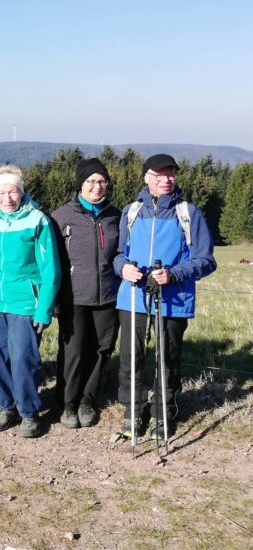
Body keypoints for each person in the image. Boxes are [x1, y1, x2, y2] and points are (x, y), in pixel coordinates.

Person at [114, 154, 216, 439]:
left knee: (167, 360)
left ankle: (162, 414)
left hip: (174, 300)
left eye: (171, 174)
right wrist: (123, 268)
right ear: (147, 177)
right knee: (130, 358)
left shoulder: (188, 213)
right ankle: (132, 412)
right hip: (133, 298)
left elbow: (206, 260)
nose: (167, 179)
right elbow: (119, 254)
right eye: (160, 174)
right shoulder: (131, 212)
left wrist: (173, 274)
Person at [0, 165, 61, 438]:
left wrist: (44, 308)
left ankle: (28, 412)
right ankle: (6, 406)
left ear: (21, 192)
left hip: (25, 302)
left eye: (12, 191)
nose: (7, 198)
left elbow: (50, 268)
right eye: (1, 192)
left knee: (23, 358)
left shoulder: (37, 220)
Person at [51, 159, 121, 429]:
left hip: (109, 296)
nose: (97, 186)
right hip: (73, 297)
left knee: (102, 350)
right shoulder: (61, 217)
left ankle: (87, 401)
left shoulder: (116, 216)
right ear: (80, 184)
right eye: (91, 181)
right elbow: (53, 261)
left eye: (102, 181)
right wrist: (54, 298)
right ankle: (67, 403)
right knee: (74, 351)